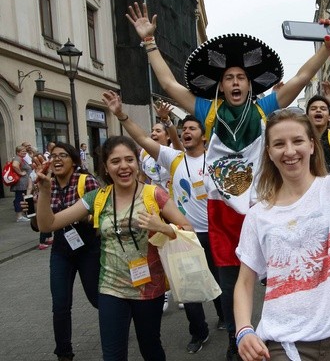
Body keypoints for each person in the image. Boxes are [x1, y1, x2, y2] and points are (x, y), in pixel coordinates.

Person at [126, 1, 330, 355]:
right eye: (229, 78)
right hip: (222, 212)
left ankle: (300, 323)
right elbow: (169, 84)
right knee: (235, 282)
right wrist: (149, 43)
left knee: (284, 275)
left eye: (241, 78)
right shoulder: (207, 111)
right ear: (221, 85)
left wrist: (327, 43)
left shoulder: (264, 109)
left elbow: (301, 79)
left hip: (261, 204)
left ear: (250, 85)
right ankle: (241, 341)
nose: (235, 83)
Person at [233, 36, 330, 361]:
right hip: (283, 344)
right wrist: (243, 330)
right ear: (269, 152)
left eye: (297, 141)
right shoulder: (258, 213)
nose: (289, 151)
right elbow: (245, 283)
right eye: (279, 144)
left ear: (311, 145)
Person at [35, 135, 193, 361]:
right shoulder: (97, 198)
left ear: (137, 163)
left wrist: (163, 227)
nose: (124, 166)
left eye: (129, 160)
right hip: (111, 288)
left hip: (149, 287)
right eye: (115, 161)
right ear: (106, 168)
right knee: (112, 354)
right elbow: (47, 224)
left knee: (150, 347)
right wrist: (44, 191)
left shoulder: (153, 194)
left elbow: (188, 228)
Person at [102, 91, 226, 355]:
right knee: (189, 285)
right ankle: (199, 332)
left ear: (204, 135)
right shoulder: (173, 158)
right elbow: (141, 138)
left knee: (219, 283)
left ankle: (226, 318)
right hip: (183, 235)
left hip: (215, 233)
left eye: (193, 128)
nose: (187, 131)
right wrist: (121, 114)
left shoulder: (215, 160)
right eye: (184, 129)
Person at [34, 142, 100, 361]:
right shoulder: (45, 183)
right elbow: (39, 224)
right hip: (62, 248)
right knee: (60, 305)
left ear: (74, 160)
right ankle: (64, 353)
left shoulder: (86, 181)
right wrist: (32, 215)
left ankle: (116, 323)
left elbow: (101, 214)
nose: (58, 159)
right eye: (54, 156)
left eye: (63, 155)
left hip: (88, 247)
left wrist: (87, 217)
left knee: (96, 298)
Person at [305, 81, 330, 172]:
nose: (318, 110)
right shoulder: (300, 140)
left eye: (323, 108)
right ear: (307, 117)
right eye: (313, 109)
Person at [11, 145, 33, 223]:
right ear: (18, 152)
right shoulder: (18, 158)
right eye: (22, 151)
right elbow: (14, 165)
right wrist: (20, 173)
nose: (24, 152)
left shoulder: (21, 158)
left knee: (21, 198)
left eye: (25, 151)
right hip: (20, 183)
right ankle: (19, 217)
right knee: (19, 198)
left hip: (23, 183)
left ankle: (21, 215)